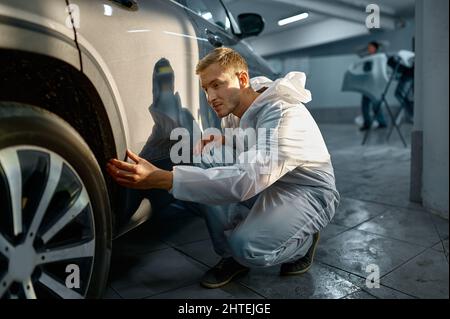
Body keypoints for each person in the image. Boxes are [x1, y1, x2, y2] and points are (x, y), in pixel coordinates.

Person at [106, 47, 340, 289]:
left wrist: (164, 179)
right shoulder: (235, 110)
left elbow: (245, 179)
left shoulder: (283, 114)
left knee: (246, 247)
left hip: (307, 191)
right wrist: (225, 139)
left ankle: (302, 244)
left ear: (241, 79)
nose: (210, 97)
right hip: (269, 180)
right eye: (206, 89)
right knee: (203, 155)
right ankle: (230, 258)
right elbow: (253, 146)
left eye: (216, 85)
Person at [360, 41, 387, 131]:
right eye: (368, 47)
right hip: (367, 85)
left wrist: (380, 45)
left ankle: (382, 123)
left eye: (371, 47)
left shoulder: (378, 58)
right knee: (365, 105)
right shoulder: (367, 58)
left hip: (375, 85)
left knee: (376, 105)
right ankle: (367, 123)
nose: (369, 49)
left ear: (375, 48)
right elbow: (358, 52)